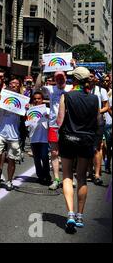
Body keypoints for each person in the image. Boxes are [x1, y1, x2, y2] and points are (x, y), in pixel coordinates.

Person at [56, 67, 99, 232]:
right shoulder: (94, 98)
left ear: (74, 80)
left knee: (67, 175)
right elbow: (96, 120)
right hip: (86, 139)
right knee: (81, 177)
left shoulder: (66, 96)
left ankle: (71, 214)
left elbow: (60, 120)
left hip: (68, 138)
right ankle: (80, 215)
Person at [35, 69, 73, 191]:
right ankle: (56, 179)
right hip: (53, 125)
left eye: (62, 77)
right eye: (57, 78)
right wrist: (42, 70)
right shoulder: (51, 89)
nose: (60, 80)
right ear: (55, 80)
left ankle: (69, 177)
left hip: (68, 125)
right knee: (54, 153)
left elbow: (81, 83)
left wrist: (74, 66)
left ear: (66, 78)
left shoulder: (71, 87)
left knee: (69, 153)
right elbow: (37, 86)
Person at [0, 77, 25, 191]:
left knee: (12, 158)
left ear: (19, 86)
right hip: (1, 131)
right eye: (12, 83)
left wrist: (27, 109)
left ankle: (9, 181)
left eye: (16, 83)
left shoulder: (22, 100)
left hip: (14, 134)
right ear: (8, 85)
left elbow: (27, 117)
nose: (14, 85)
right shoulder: (1, 97)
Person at [88, 70, 109, 185]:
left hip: (97, 122)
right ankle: (89, 172)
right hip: (85, 122)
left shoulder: (102, 90)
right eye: (88, 76)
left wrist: (97, 111)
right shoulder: (82, 89)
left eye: (92, 76)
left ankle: (97, 174)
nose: (90, 78)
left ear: (95, 78)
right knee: (87, 147)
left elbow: (106, 107)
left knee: (97, 147)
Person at [27, 91, 51, 185]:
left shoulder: (47, 110)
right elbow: (27, 123)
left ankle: (47, 175)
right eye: (35, 99)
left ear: (42, 100)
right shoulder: (30, 110)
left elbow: (53, 122)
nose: (37, 100)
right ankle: (40, 176)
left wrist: (48, 117)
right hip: (33, 137)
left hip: (44, 138)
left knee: (45, 157)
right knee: (36, 159)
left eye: (39, 99)